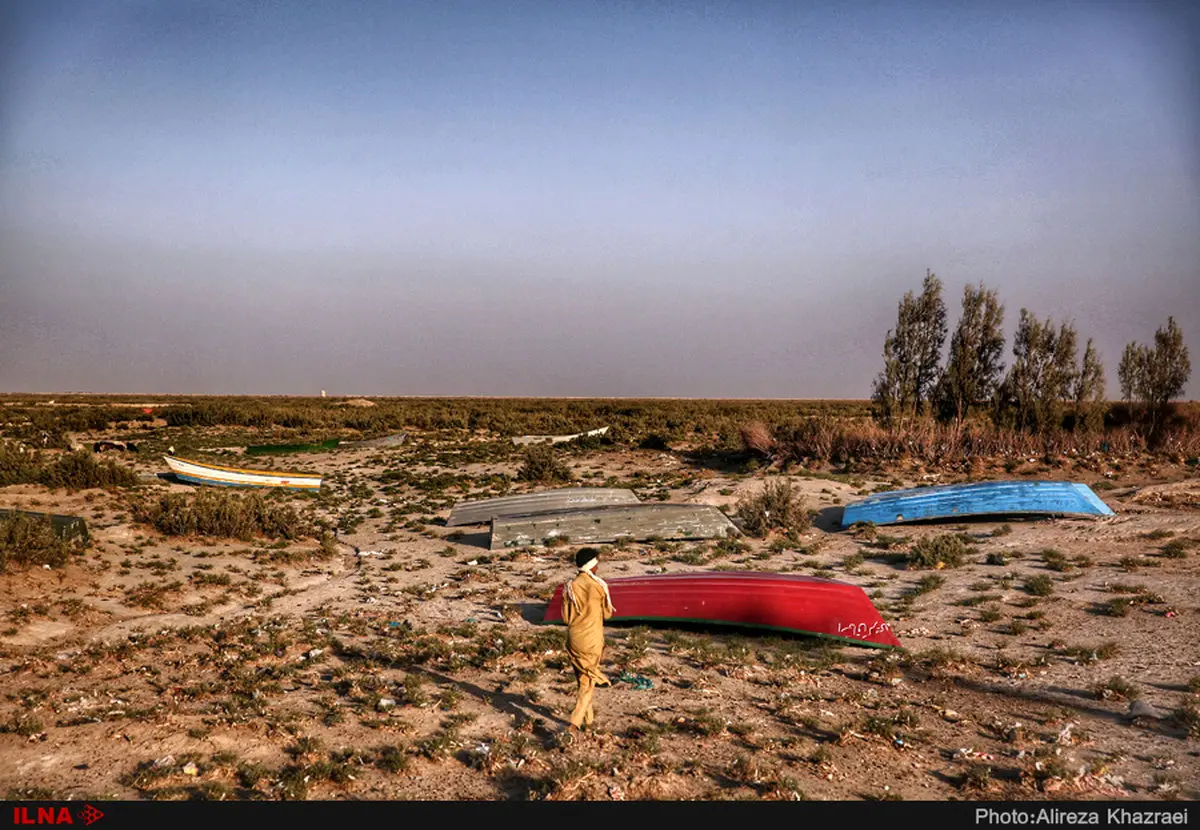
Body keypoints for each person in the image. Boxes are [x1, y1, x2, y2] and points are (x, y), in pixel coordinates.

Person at [560, 546, 615, 732]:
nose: (598, 568)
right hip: (591, 640)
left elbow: (566, 618)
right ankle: (573, 724)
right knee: (587, 683)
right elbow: (608, 614)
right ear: (591, 566)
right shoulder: (598, 586)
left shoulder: (569, 586)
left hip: (573, 639)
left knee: (583, 680)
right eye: (596, 564)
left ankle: (589, 721)